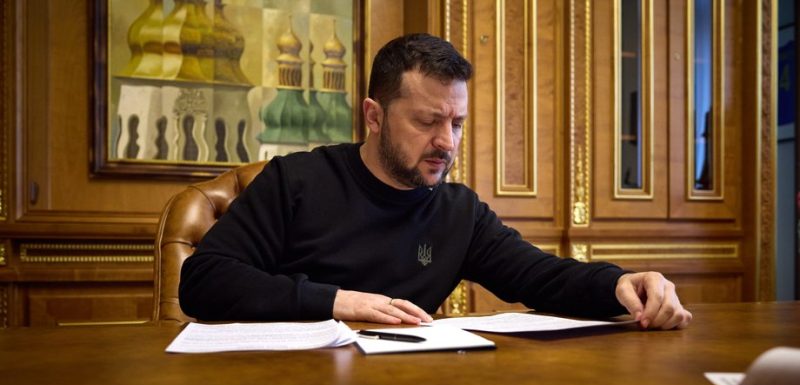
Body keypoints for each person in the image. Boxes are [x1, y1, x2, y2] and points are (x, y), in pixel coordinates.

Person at [179, 33, 692, 330]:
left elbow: (542, 277)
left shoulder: (458, 213)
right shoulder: (297, 181)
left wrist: (620, 284)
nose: (446, 142)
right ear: (374, 116)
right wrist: (335, 300)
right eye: (427, 121)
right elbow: (204, 281)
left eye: (457, 123)